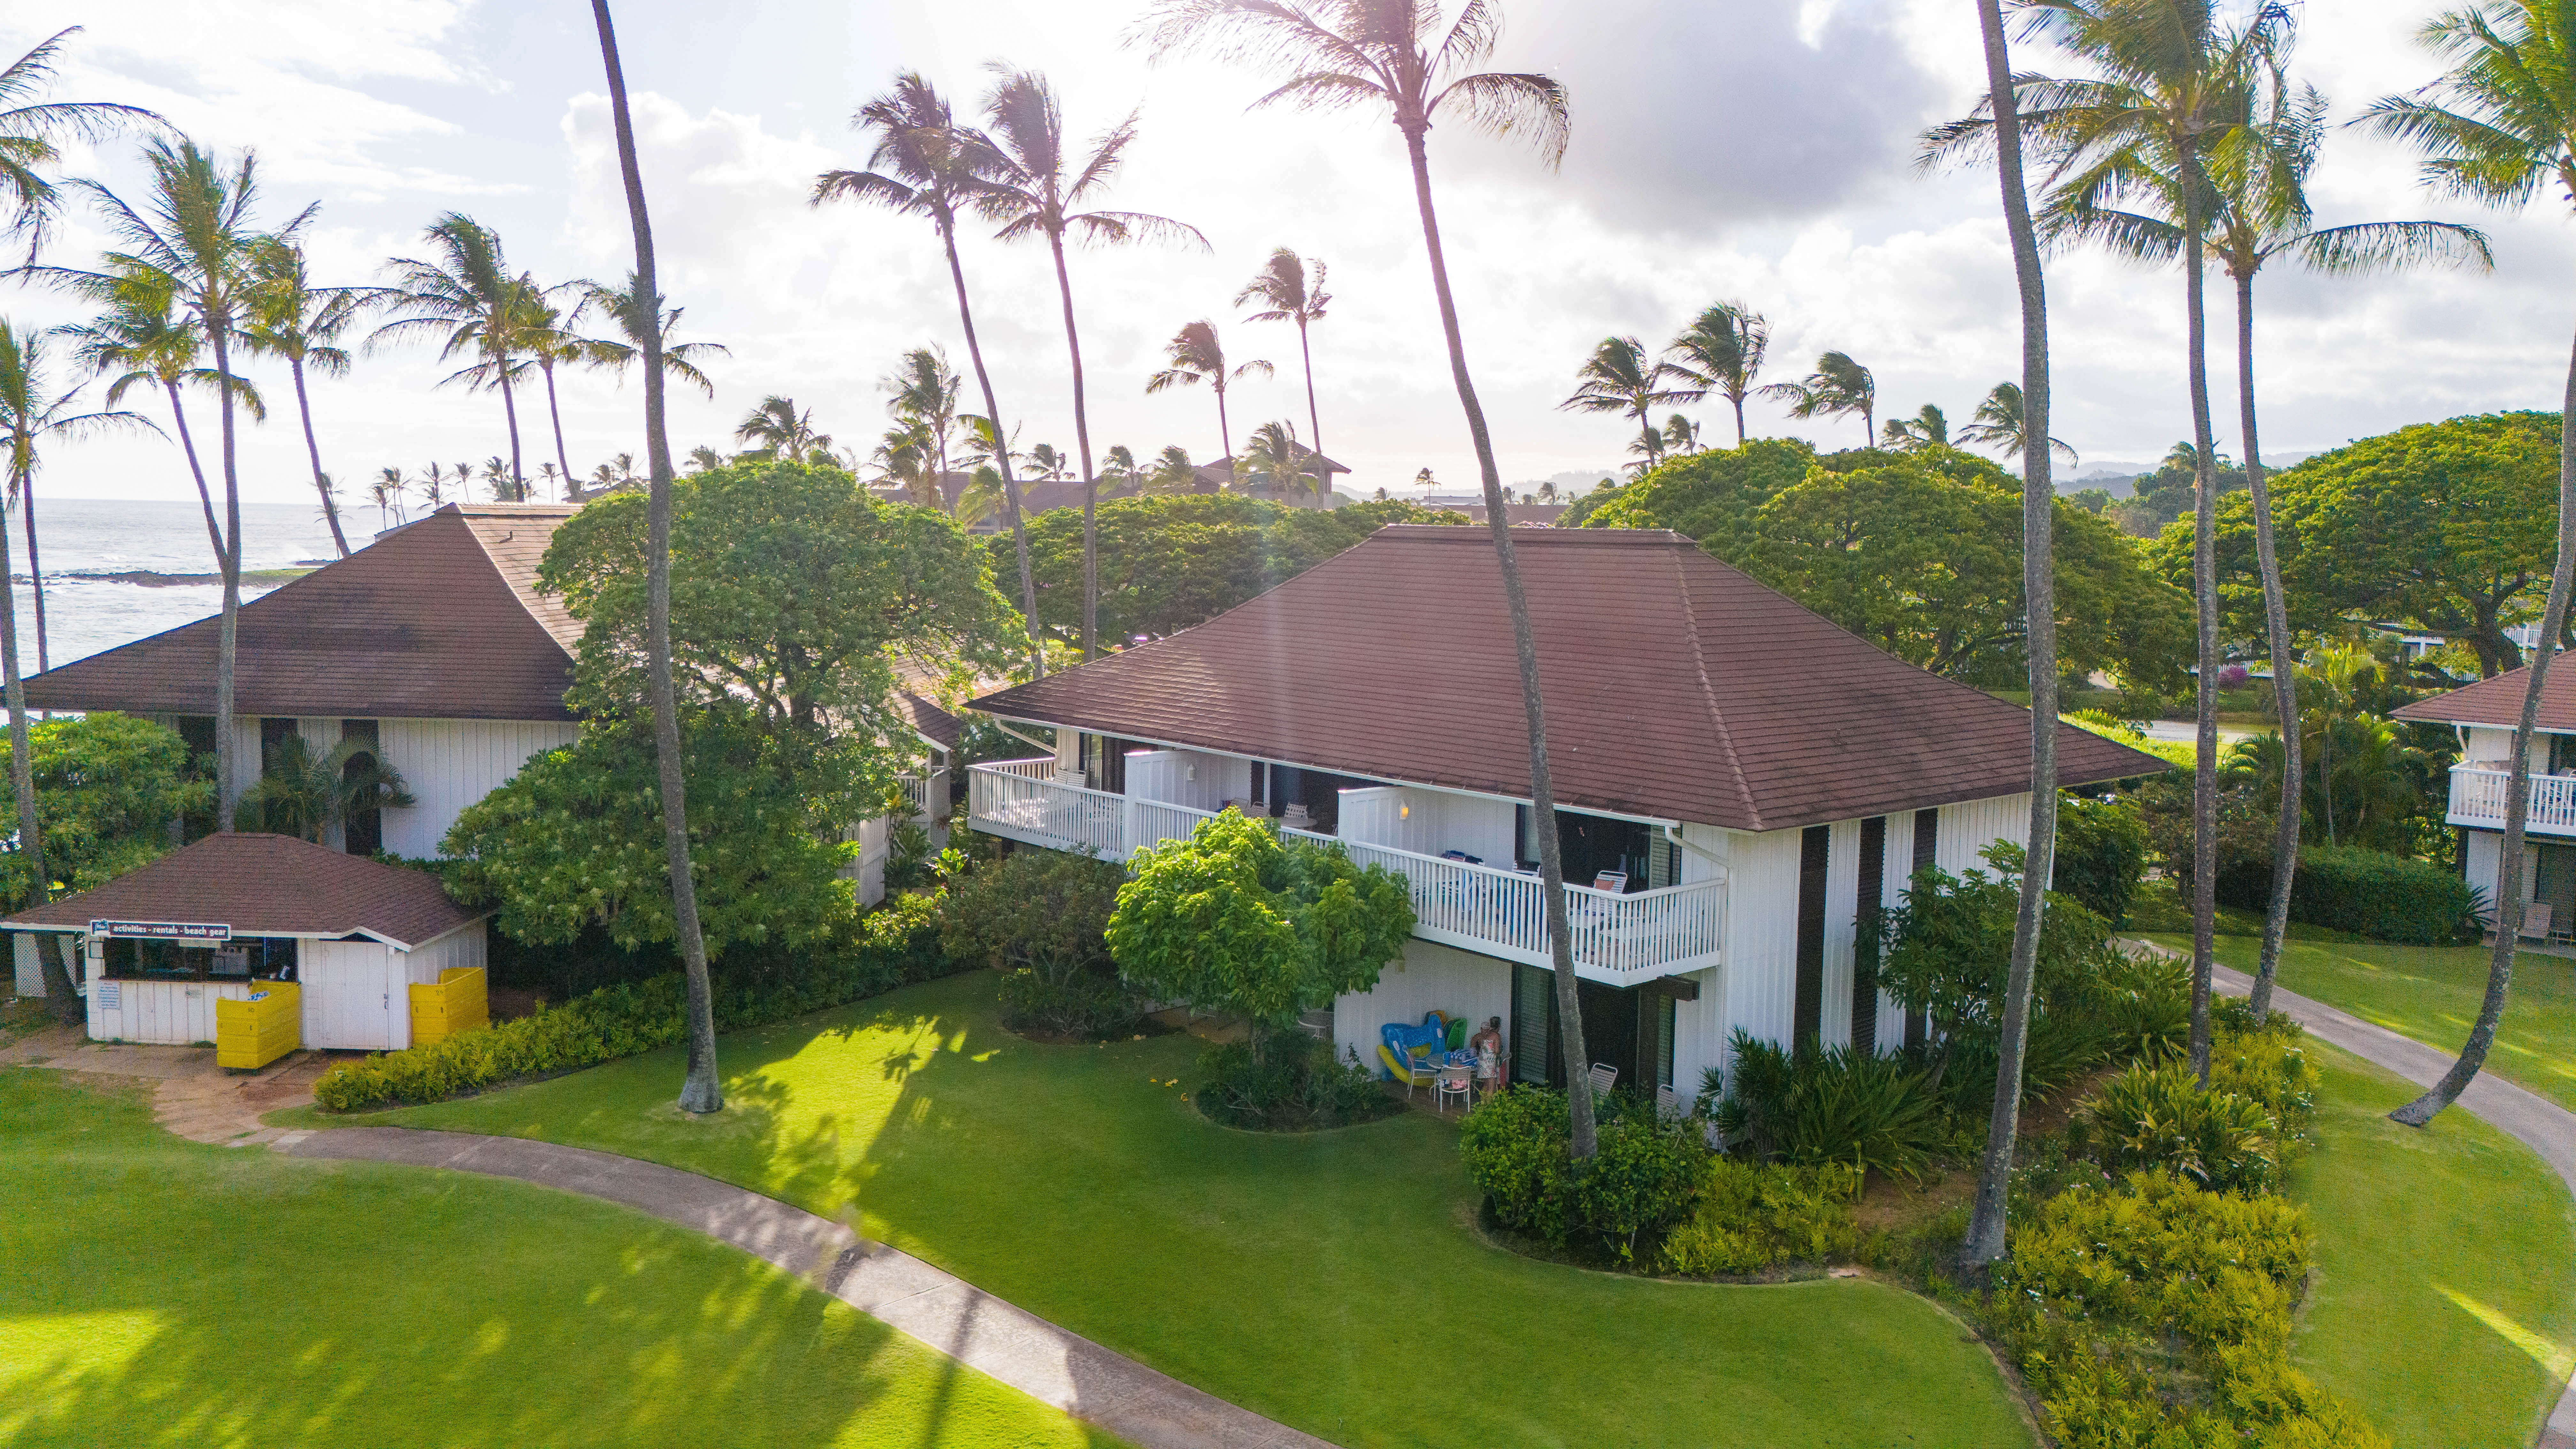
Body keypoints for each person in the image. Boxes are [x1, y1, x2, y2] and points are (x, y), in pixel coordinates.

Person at [1469, 1016, 1506, 1098]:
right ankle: (1489, 1107)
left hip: (1483, 1062)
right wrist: (1501, 1051)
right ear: (1499, 1026)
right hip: (1490, 1064)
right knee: (1491, 1088)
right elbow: (1497, 1051)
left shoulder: (1485, 1033)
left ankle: (1483, 1105)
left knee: (1485, 1086)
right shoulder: (1496, 1036)